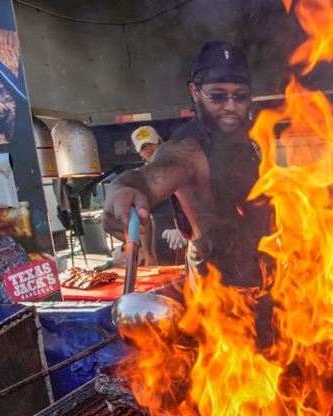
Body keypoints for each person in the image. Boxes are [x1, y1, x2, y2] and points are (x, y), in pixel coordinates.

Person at [103, 41, 269, 290]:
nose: (231, 106)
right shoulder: (187, 150)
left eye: (241, 96)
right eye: (218, 96)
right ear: (194, 91)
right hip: (217, 287)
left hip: (265, 271)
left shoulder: (248, 137)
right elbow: (149, 177)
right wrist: (122, 187)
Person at [129, 125, 187, 266]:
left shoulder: (183, 166)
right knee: (168, 282)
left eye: (151, 144)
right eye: (143, 147)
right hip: (163, 242)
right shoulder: (142, 179)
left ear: (161, 141)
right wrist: (147, 253)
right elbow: (144, 219)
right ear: (139, 153)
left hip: (190, 238)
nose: (148, 150)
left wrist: (185, 228)